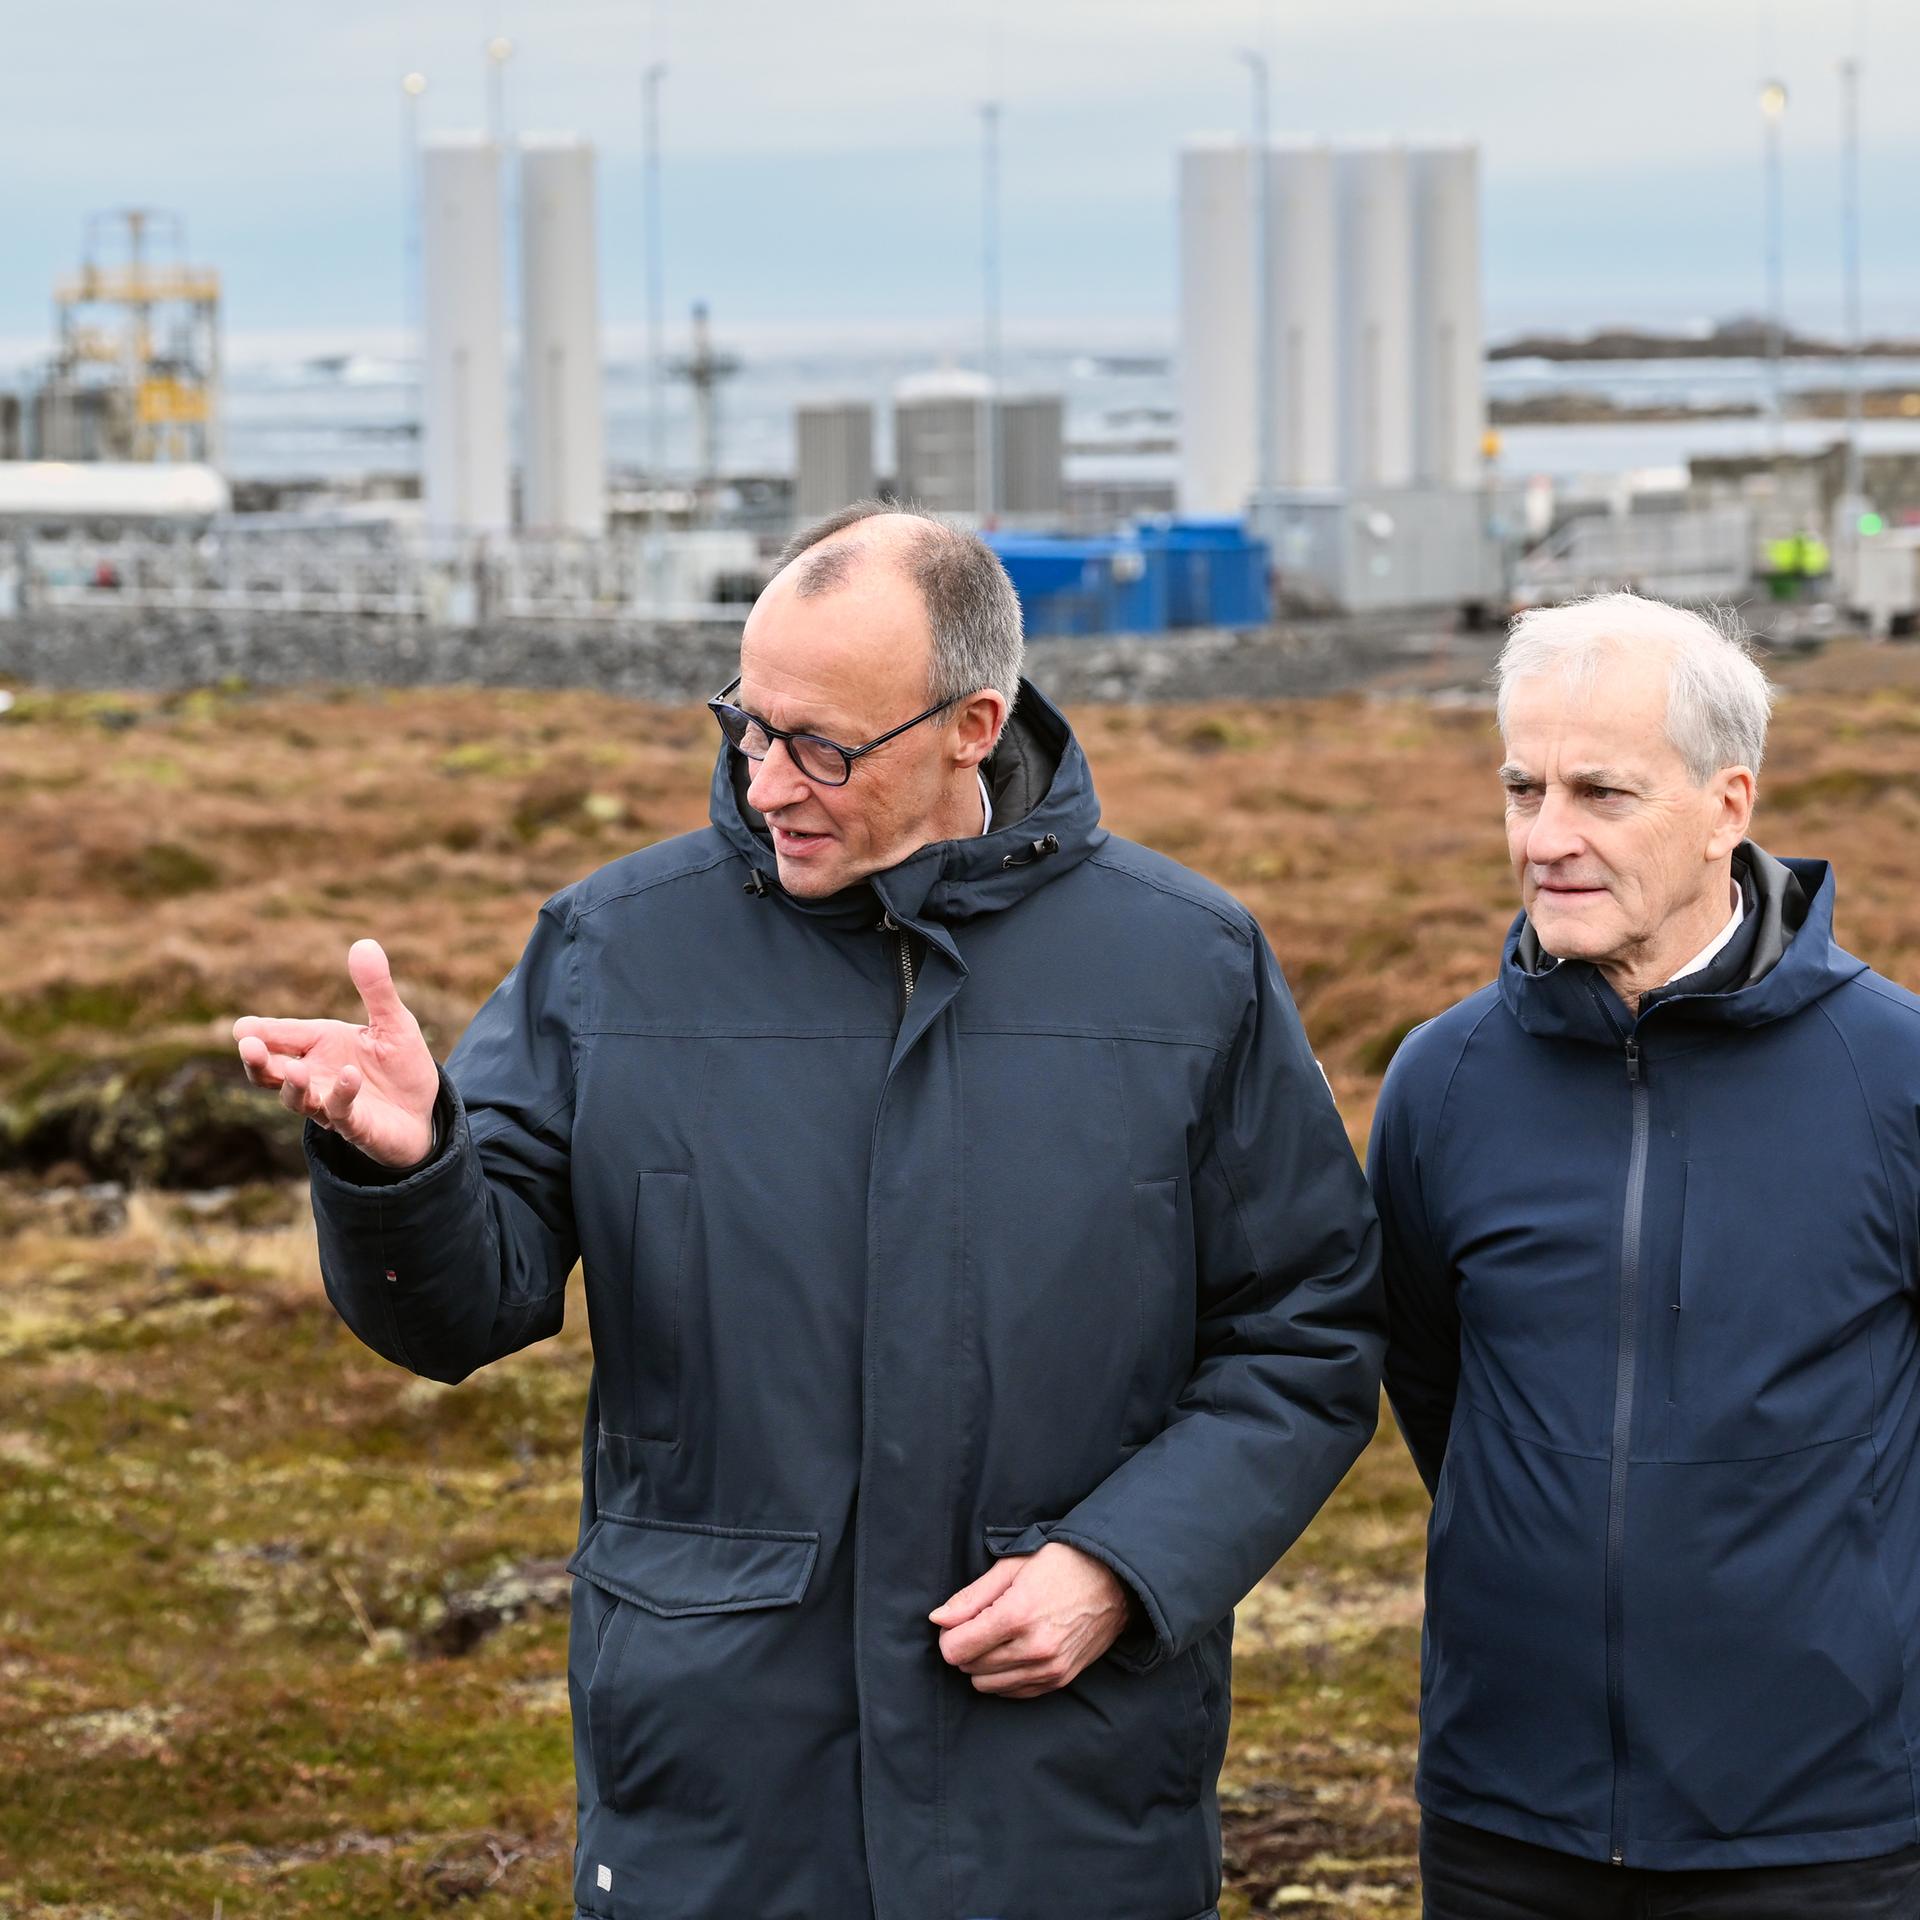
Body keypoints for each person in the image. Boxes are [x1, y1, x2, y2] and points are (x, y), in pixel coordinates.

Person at [232, 502, 1385, 1920]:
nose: (769, 783)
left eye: (823, 747)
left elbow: (1307, 1333)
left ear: (974, 723)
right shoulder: (611, 952)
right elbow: (464, 1311)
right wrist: (410, 1166)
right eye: (746, 726)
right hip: (719, 1799)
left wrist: (1124, 1565)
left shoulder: (1188, 968)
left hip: (1064, 1796)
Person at [1370, 590, 1920, 1918]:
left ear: (1729, 804)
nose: (1544, 838)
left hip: (1822, 1830)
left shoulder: (1893, 1076)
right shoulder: (1441, 1084)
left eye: (1600, 794)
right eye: (1522, 786)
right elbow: (1435, 1385)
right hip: (1510, 1820)